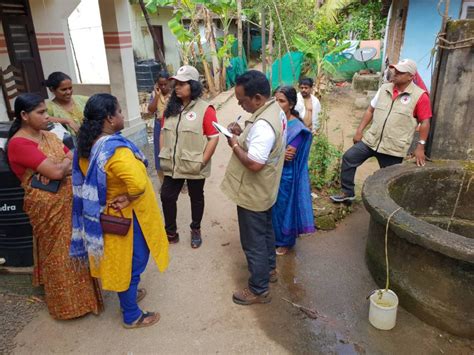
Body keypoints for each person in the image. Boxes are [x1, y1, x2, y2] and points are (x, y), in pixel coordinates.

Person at [71, 93, 169, 329]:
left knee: (120, 261)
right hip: (126, 217)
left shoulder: (86, 145)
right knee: (133, 262)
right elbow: (138, 183)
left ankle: (129, 295)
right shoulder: (116, 151)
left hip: (104, 215)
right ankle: (132, 314)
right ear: (109, 118)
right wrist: (130, 197)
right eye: (120, 111)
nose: (123, 115)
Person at [6, 93, 103, 320]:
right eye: (40, 112)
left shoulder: (49, 136)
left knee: (79, 248)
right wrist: (61, 165)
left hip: (69, 199)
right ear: (24, 116)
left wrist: (61, 165)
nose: (46, 116)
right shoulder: (18, 144)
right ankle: (67, 307)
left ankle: (86, 300)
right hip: (46, 208)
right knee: (59, 255)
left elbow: (73, 158)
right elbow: (57, 171)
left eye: (45, 111)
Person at [221, 70, 287, 305]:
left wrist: (234, 144)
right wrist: (242, 132)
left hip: (254, 191)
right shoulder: (274, 110)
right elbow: (263, 145)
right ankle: (269, 270)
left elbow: (255, 163)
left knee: (253, 241)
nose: (240, 104)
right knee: (266, 232)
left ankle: (258, 289)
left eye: (242, 100)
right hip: (266, 190)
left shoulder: (263, 125)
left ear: (258, 98)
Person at [330, 59, 432, 203]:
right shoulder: (385, 88)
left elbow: (425, 122)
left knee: (389, 180)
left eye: (400, 72)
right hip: (372, 140)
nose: (395, 73)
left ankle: (387, 206)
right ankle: (348, 192)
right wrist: (359, 130)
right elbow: (370, 110)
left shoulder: (420, 96)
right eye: (395, 70)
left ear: (411, 76)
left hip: (393, 147)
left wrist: (420, 146)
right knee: (349, 158)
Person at [159, 65, 219, 248]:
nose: (177, 87)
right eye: (176, 83)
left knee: (196, 197)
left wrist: (203, 161)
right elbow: (163, 132)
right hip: (173, 163)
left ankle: (195, 229)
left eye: (182, 84)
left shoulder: (205, 109)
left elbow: (213, 138)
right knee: (167, 196)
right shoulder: (171, 107)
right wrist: (163, 154)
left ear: (193, 85)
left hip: (194, 163)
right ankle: (171, 231)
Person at [272, 86, 315, 256]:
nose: (277, 104)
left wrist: (275, 153)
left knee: (283, 208)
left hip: (286, 175)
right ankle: (275, 238)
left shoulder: (297, 128)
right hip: (272, 172)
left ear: (290, 104)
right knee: (273, 208)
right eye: (274, 100)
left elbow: (288, 156)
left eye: (281, 101)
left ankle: (285, 242)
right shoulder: (274, 121)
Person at [45, 71, 88, 136]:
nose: (68, 92)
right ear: (52, 89)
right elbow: (43, 118)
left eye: (70, 88)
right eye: (64, 89)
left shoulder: (82, 100)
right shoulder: (49, 107)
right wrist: (67, 121)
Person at [148, 70, 172, 184]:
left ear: (169, 82)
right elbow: (151, 110)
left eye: (165, 84)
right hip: (159, 125)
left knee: (173, 150)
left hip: (171, 124)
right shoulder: (155, 95)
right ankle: (163, 182)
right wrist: (157, 96)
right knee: (159, 152)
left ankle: (178, 180)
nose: (163, 87)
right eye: (160, 84)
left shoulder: (175, 94)